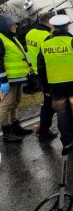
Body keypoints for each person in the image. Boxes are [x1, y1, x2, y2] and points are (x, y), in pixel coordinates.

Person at [37, 14, 73, 151]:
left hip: (55, 85)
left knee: (62, 113)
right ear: (67, 27)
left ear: (53, 27)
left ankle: (67, 141)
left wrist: (44, 87)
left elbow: (41, 68)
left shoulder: (45, 45)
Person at [0, 13, 34, 143]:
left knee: (15, 102)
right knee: (6, 105)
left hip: (17, 78)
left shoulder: (11, 38)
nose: (15, 26)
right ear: (4, 25)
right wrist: (3, 80)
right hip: (7, 79)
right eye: (13, 24)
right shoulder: (1, 39)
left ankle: (15, 126)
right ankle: (7, 132)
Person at [25, 12, 58, 142]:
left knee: (48, 103)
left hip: (39, 72)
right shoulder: (46, 36)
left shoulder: (30, 33)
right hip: (49, 72)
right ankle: (44, 131)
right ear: (49, 22)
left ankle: (43, 130)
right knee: (51, 104)